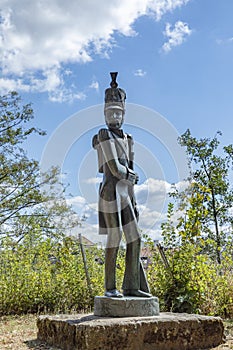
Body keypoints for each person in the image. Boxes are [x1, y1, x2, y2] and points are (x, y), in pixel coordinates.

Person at [92, 72, 151, 298]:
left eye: (118, 112)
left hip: (126, 193)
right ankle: (109, 288)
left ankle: (132, 286)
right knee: (115, 236)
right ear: (104, 114)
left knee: (135, 237)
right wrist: (131, 175)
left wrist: (133, 198)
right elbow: (116, 168)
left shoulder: (129, 139)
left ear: (124, 114)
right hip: (110, 192)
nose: (114, 116)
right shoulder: (104, 134)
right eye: (110, 112)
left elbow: (130, 169)